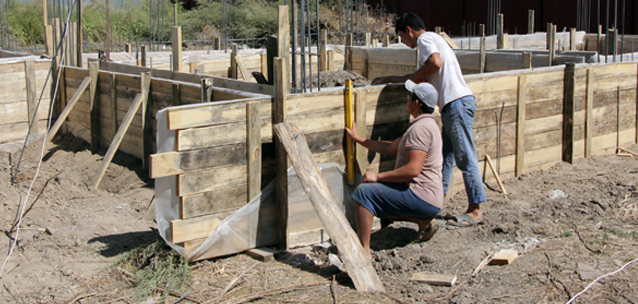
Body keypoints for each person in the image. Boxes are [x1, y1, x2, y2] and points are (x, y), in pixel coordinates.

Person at [372, 13, 486, 227]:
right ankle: (434, 203)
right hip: (454, 105)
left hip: (456, 103)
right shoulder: (435, 39)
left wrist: (404, 79)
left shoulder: (425, 40)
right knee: (445, 155)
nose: (404, 43)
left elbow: (435, 63)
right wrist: (395, 79)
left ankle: (475, 209)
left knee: (464, 156)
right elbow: (426, 73)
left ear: (409, 30)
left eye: (402, 38)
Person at [345, 80, 443, 258]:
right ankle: (424, 221)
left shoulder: (419, 130)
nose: (407, 99)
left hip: (421, 196)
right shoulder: (427, 125)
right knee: (382, 197)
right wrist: (358, 139)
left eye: (410, 96)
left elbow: (413, 170)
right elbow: (390, 148)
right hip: (430, 198)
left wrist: (378, 176)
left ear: (417, 103)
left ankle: (363, 251)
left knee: (364, 193)